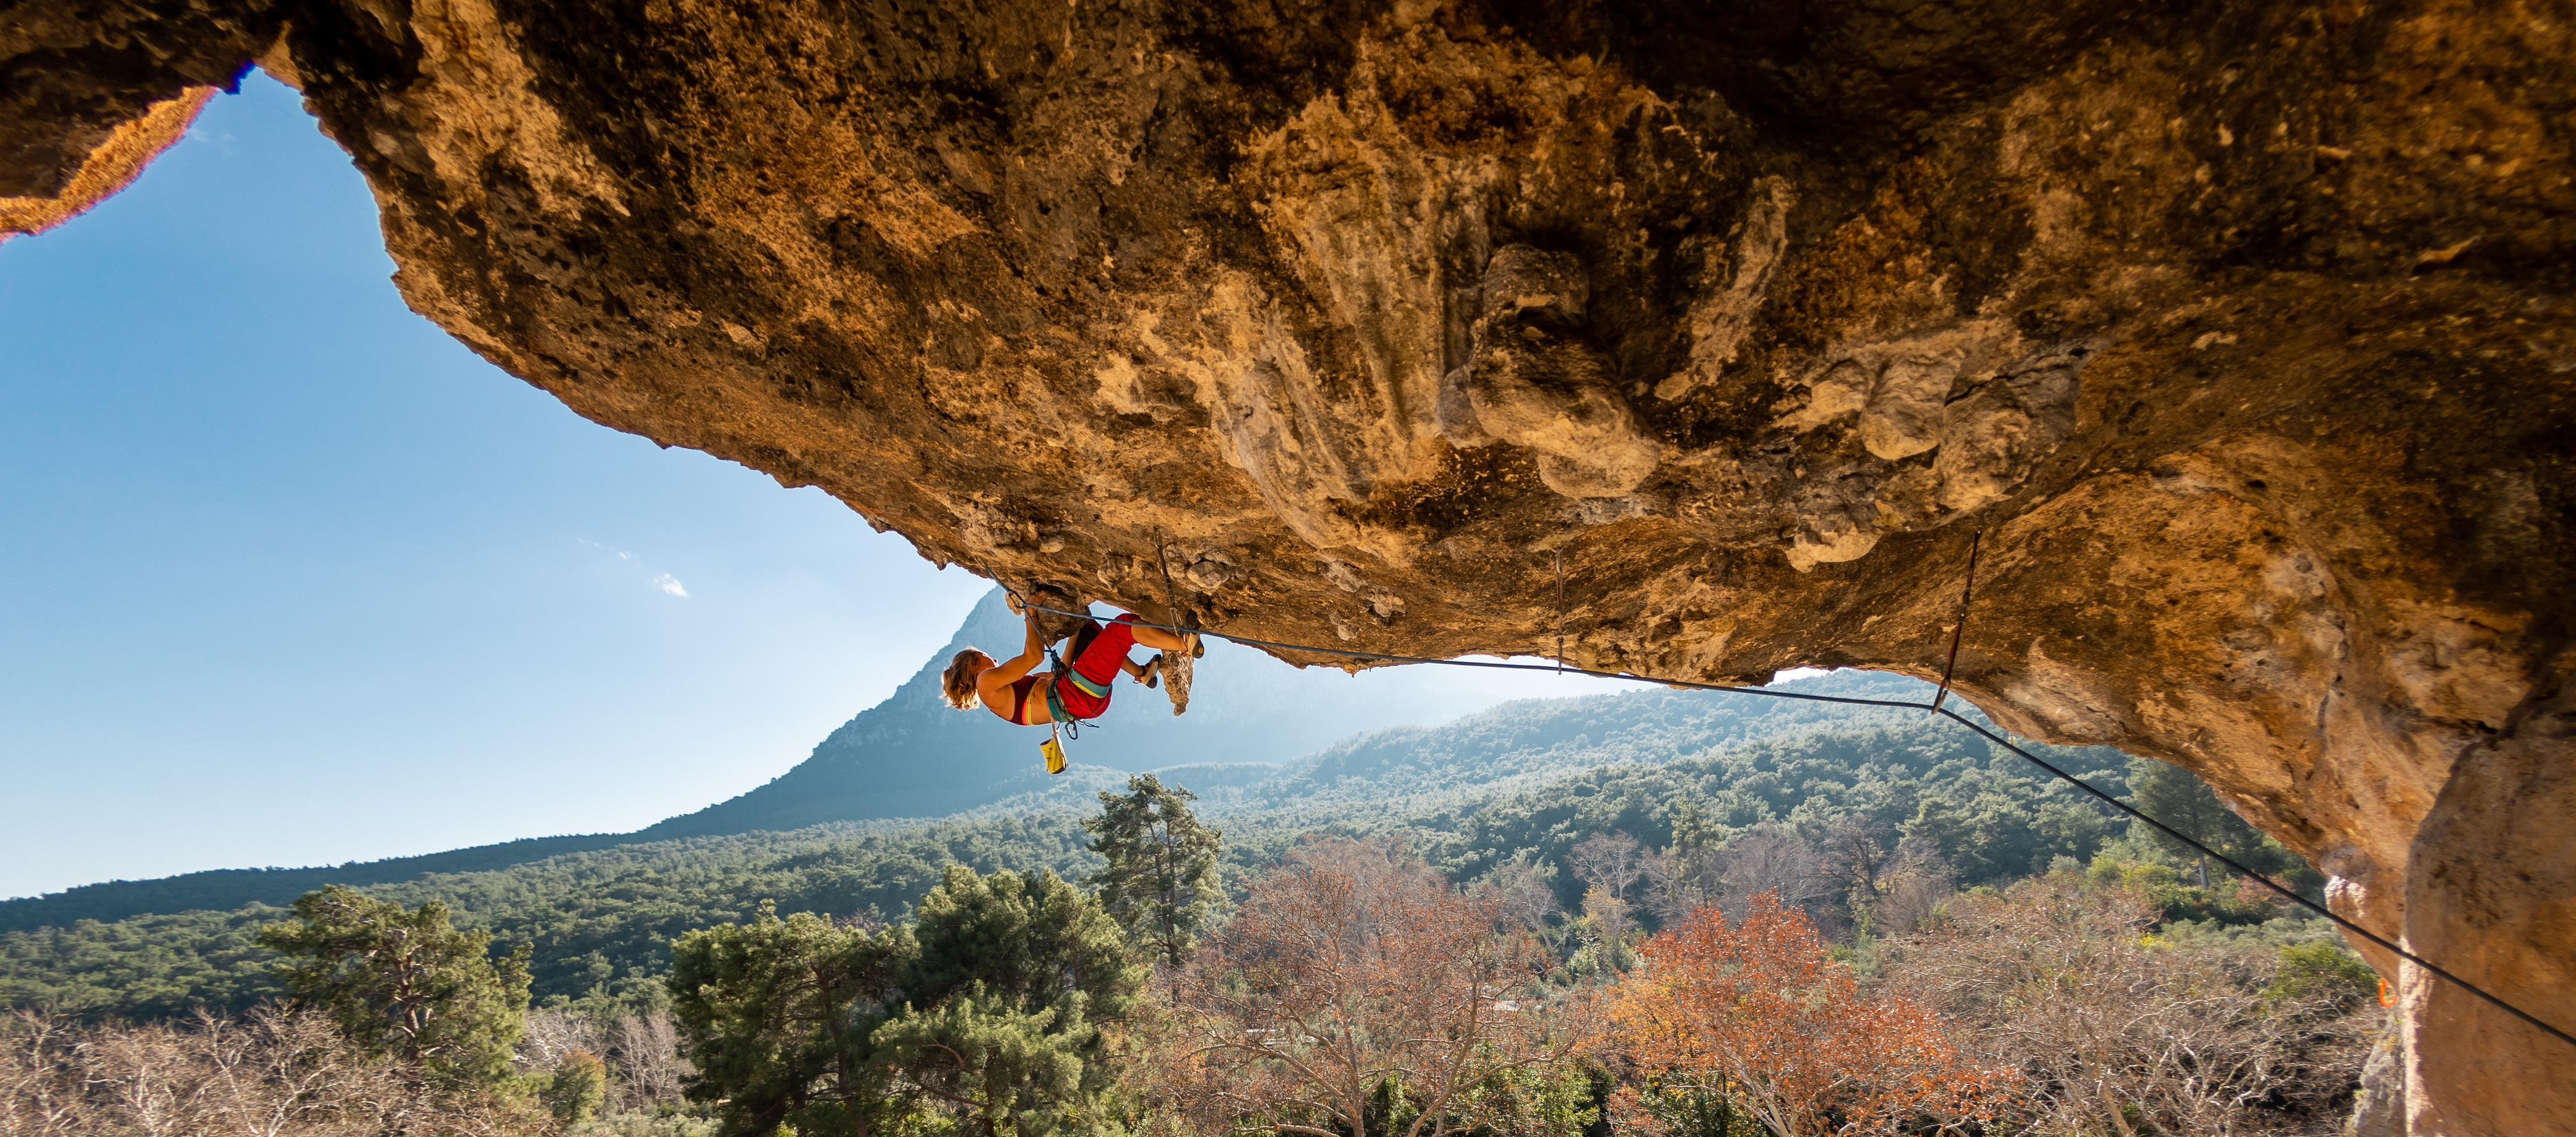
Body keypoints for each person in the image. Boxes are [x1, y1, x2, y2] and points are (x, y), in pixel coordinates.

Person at [940, 604, 1197, 768]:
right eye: (985, 655)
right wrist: (1030, 616)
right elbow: (1033, 657)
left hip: (1084, 700)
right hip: (1077, 694)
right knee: (1122, 627)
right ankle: (1185, 645)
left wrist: (1076, 630)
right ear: (974, 664)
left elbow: (1060, 671)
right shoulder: (986, 681)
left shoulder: (1004, 692)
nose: (993, 659)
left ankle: (1142, 674)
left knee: (1089, 626)